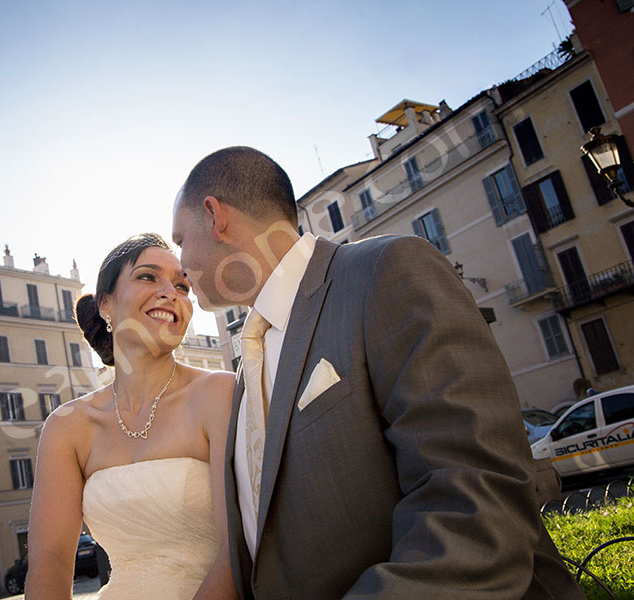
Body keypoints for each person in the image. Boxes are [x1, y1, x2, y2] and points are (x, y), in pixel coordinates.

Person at [171, 146, 585, 599]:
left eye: (180, 240)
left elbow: (476, 500)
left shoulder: (386, 272)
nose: (180, 263)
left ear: (215, 216)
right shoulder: (249, 358)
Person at [24, 233, 238, 600]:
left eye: (182, 285)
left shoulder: (220, 394)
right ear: (105, 304)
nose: (171, 292)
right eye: (148, 277)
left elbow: (238, 550)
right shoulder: (67, 427)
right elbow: (51, 559)